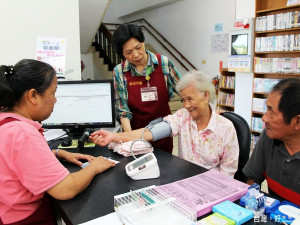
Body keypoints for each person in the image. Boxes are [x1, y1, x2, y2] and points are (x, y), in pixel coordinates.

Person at [0, 59, 115, 225]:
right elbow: (65, 189)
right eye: (53, 93)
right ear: (33, 95)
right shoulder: (23, 133)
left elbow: (12, 158)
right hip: (26, 219)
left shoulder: (6, 120)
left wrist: (58, 152)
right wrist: (95, 167)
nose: (55, 100)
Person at [90, 71, 239, 177]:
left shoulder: (226, 128)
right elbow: (149, 133)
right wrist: (114, 136)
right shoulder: (182, 117)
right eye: (183, 100)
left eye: (190, 99)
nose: (186, 105)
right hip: (183, 181)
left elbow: (227, 173)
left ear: (205, 96)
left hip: (211, 188)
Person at [112, 23, 181, 154]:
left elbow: (184, 90)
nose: (136, 55)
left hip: (163, 133)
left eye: (138, 47)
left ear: (143, 42)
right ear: (122, 53)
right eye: (128, 52)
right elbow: (123, 111)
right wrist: (132, 140)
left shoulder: (163, 63)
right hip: (136, 135)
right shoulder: (119, 72)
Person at [243, 78, 300, 205]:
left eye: (272, 112)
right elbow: (252, 181)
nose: (264, 118)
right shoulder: (269, 137)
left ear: (297, 121)